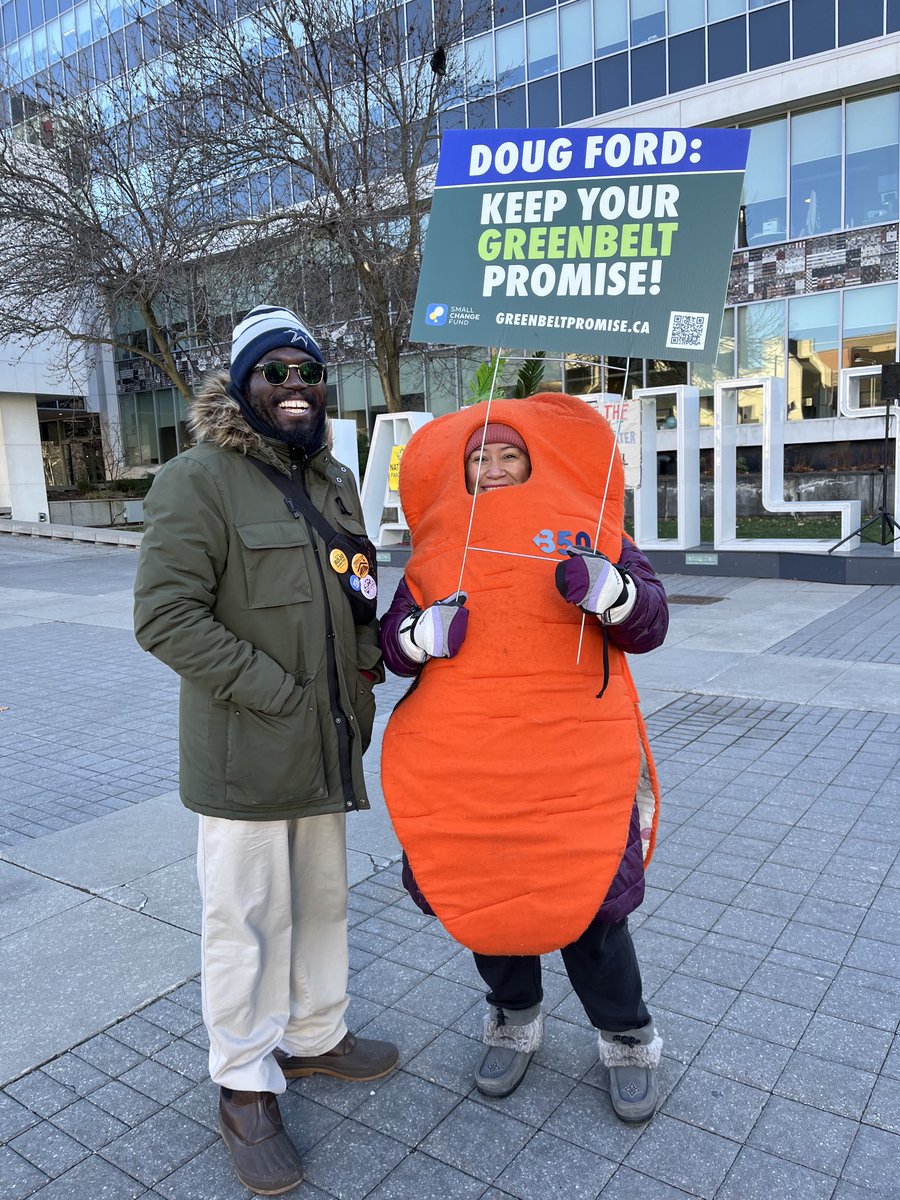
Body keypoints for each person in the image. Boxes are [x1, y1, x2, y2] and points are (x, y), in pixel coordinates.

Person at [133, 306, 398, 1196]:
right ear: (242, 385)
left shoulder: (335, 481)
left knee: (322, 901)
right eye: (274, 372)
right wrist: (279, 695)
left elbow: (357, 590)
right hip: (250, 749)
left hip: (328, 747)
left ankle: (316, 1034)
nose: (294, 386)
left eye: (308, 372)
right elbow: (165, 618)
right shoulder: (196, 479)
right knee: (245, 920)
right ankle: (244, 1081)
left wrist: (366, 668)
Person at [379, 396, 668, 1123]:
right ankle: (514, 1019)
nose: (498, 467)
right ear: (463, 469)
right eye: (482, 456)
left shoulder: (595, 534)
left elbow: (651, 623)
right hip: (474, 767)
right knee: (490, 896)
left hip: (574, 765)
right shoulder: (438, 550)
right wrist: (418, 636)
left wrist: (616, 591)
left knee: (594, 913)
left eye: (511, 454)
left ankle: (626, 1036)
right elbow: (391, 648)